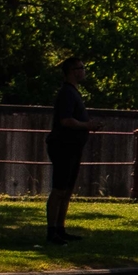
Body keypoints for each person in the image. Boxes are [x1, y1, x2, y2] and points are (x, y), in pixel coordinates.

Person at [47, 55, 91, 242]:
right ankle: (51, 231)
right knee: (59, 190)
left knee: (67, 190)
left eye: (83, 67)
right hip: (63, 146)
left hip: (73, 147)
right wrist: (87, 125)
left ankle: (60, 228)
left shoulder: (74, 92)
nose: (83, 71)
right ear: (70, 72)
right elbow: (65, 120)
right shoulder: (66, 93)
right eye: (79, 68)